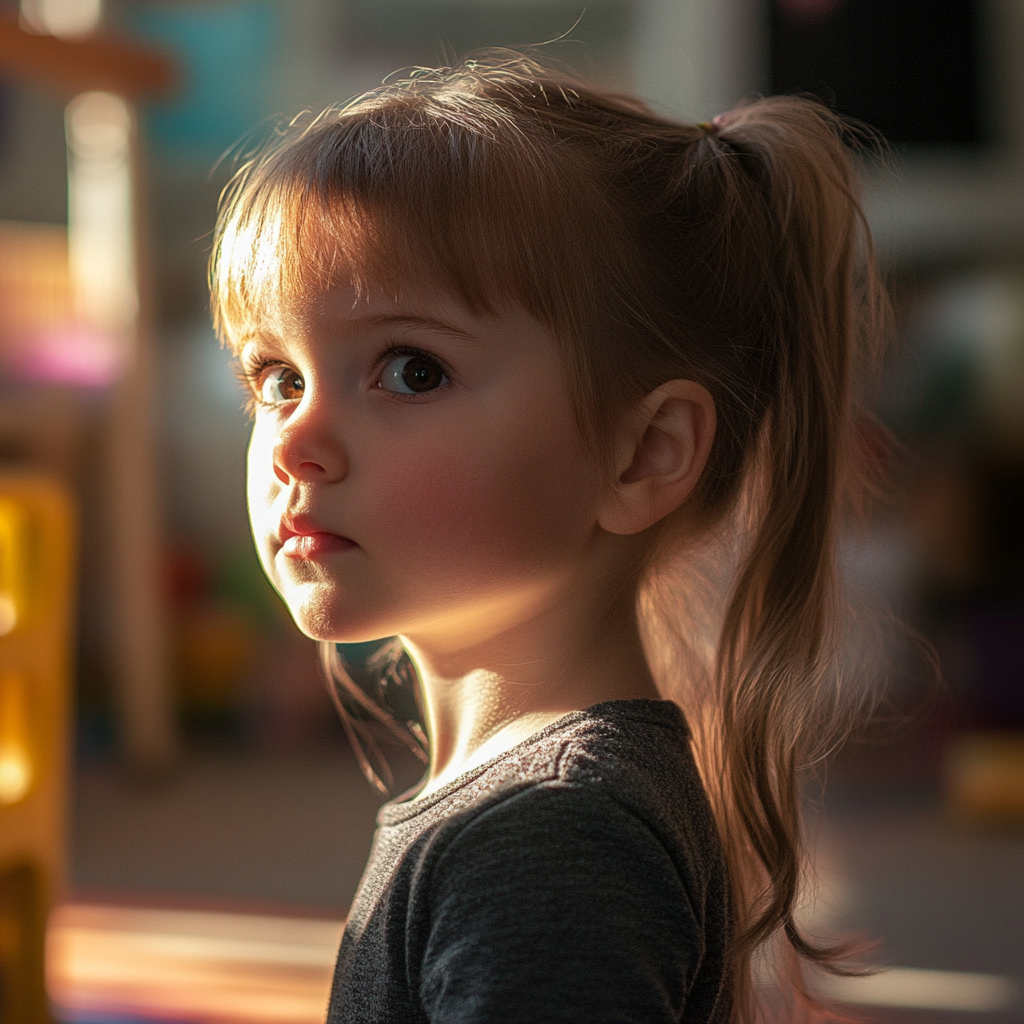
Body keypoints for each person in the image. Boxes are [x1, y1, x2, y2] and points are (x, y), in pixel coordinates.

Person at [209, 54, 889, 1023]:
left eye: (410, 370)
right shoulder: (528, 810)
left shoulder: (548, 841)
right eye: (277, 376)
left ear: (642, 454)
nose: (295, 442)